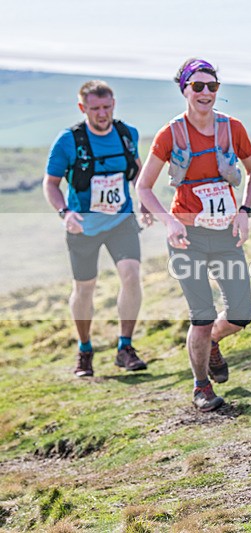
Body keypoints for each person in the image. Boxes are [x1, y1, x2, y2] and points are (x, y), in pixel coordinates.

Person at [136, 58, 251, 412]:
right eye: (198, 86)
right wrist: (169, 222)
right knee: (202, 316)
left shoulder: (232, 128)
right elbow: (144, 187)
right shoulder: (170, 134)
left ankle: (213, 343)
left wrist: (245, 211)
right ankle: (201, 386)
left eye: (212, 86)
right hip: (186, 237)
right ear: (185, 90)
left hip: (225, 234)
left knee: (240, 314)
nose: (206, 92)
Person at [43, 80, 150, 378]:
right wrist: (65, 213)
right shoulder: (68, 141)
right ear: (83, 108)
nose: (102, 114)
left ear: (113, 104)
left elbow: (137, 172)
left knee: (131, 276)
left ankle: (125, 347)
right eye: (95, 108)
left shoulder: (127, 134)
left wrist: (144, 200)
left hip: (121, 220)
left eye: (107, 107)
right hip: (83, 226)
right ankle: (85, 349)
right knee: (85, 288)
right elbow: (51, 184)